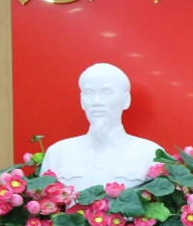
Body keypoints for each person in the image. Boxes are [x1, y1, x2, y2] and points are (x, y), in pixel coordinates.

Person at [40, 63, 164, 191]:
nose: (96, 102)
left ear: (126, 100)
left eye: (107, 93)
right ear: (82, 101)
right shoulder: (58, 153)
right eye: (89, 93)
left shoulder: (151, 154)